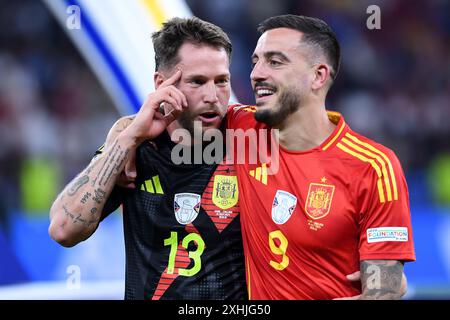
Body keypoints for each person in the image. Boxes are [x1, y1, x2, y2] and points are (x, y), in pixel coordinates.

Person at [49, 17, 247, 300]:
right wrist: (127, 138)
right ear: (162, 84)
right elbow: (63, 230)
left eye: (221, 81)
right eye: (197, 82)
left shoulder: (249, 137)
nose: (212, 96)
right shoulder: (137, 147)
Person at [225, 14, 415, 299]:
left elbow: (383, 290)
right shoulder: (241, 128)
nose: (256, 74)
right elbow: (154, 121)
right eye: (255, 62)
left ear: (318, 76)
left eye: (275, 62)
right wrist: (131, 134)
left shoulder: (374, 167)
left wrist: (386, 286)